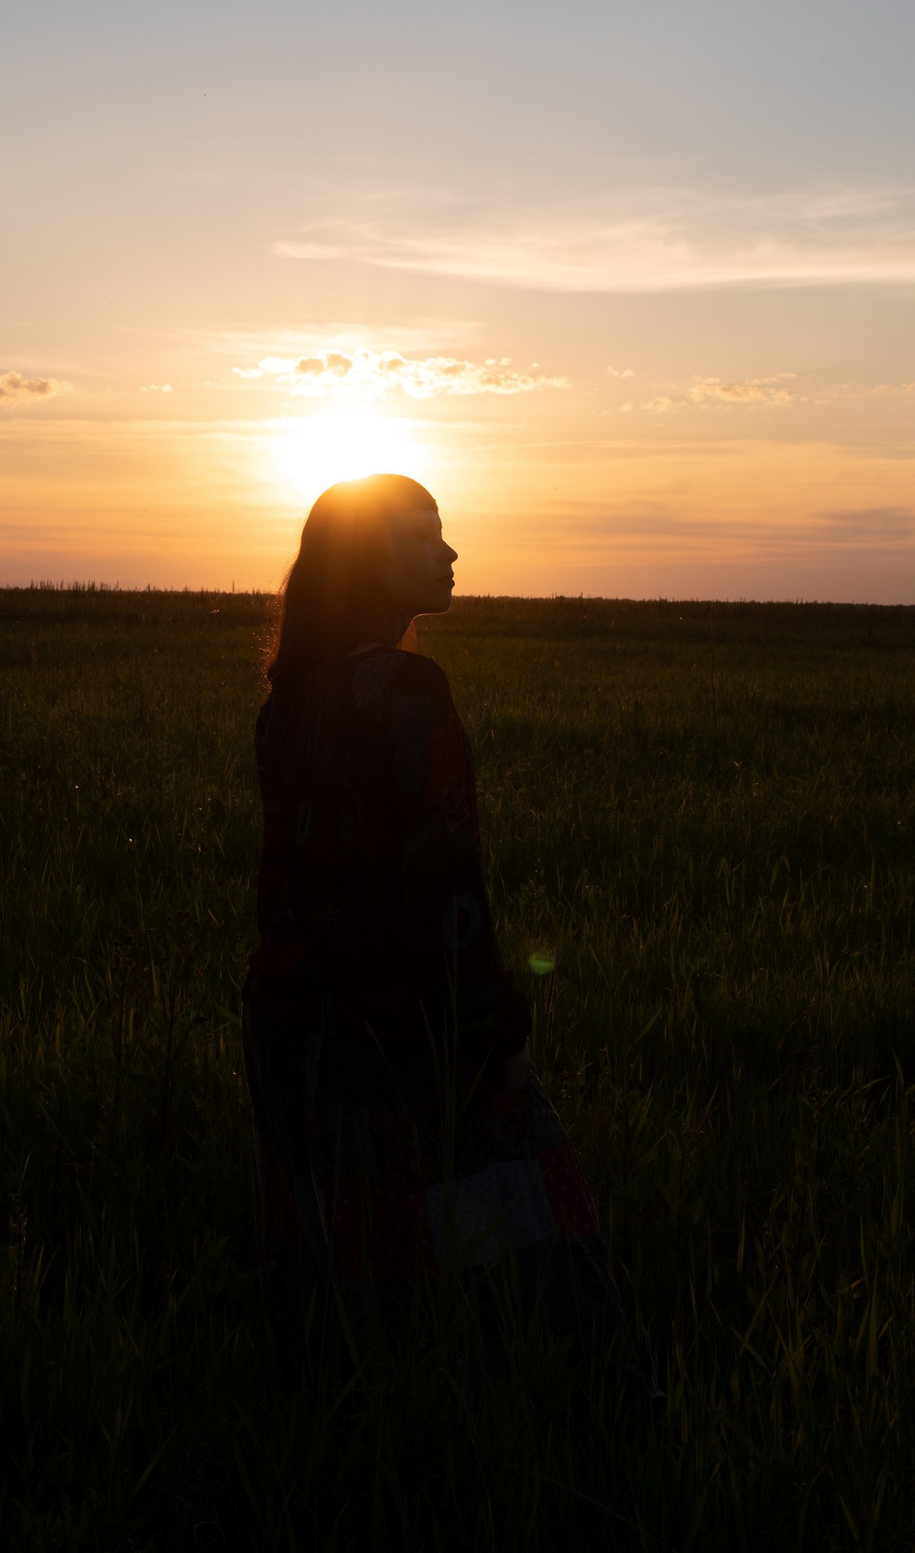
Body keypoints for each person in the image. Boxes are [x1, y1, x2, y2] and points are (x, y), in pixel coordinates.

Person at [244, 473, 636, 1372]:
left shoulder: (288, 700)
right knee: (544, 1265)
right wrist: (495, 1036)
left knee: (343, 1282)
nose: (450, 553)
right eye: (425, 535)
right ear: (367, 560)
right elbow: (448, 889)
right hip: (398, 1027)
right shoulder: (408, 690)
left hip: (292, 1024)